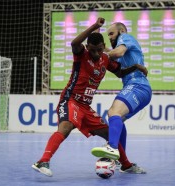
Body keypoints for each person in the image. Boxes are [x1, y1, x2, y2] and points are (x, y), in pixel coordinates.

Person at [32, 18, 147, 177]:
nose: (96, 54)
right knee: (66, 127)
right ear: (87, 47)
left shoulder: (105, 59)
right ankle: (43, 161)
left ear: (102, 48)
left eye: (99, 50)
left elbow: (120, 72)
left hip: (85, 107)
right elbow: (74, 43)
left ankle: (126, 165)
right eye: (92, 50)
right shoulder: (81, 55)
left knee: (110, 133)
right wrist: (94, 26)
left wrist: (135, 67)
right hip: (71, 99)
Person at [91, 21, 152, 172]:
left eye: (112, 34)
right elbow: (107, 51)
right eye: (108, 35)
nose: (110, 37)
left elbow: (117, 53)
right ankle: (122, 162)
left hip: (138, 85)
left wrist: (97, 55)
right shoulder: (118, 45)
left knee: (113, 113)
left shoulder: (126, 37)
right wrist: (98, 46)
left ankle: (112, 148)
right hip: (135, 87)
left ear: (122, 31)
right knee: (116, 119)